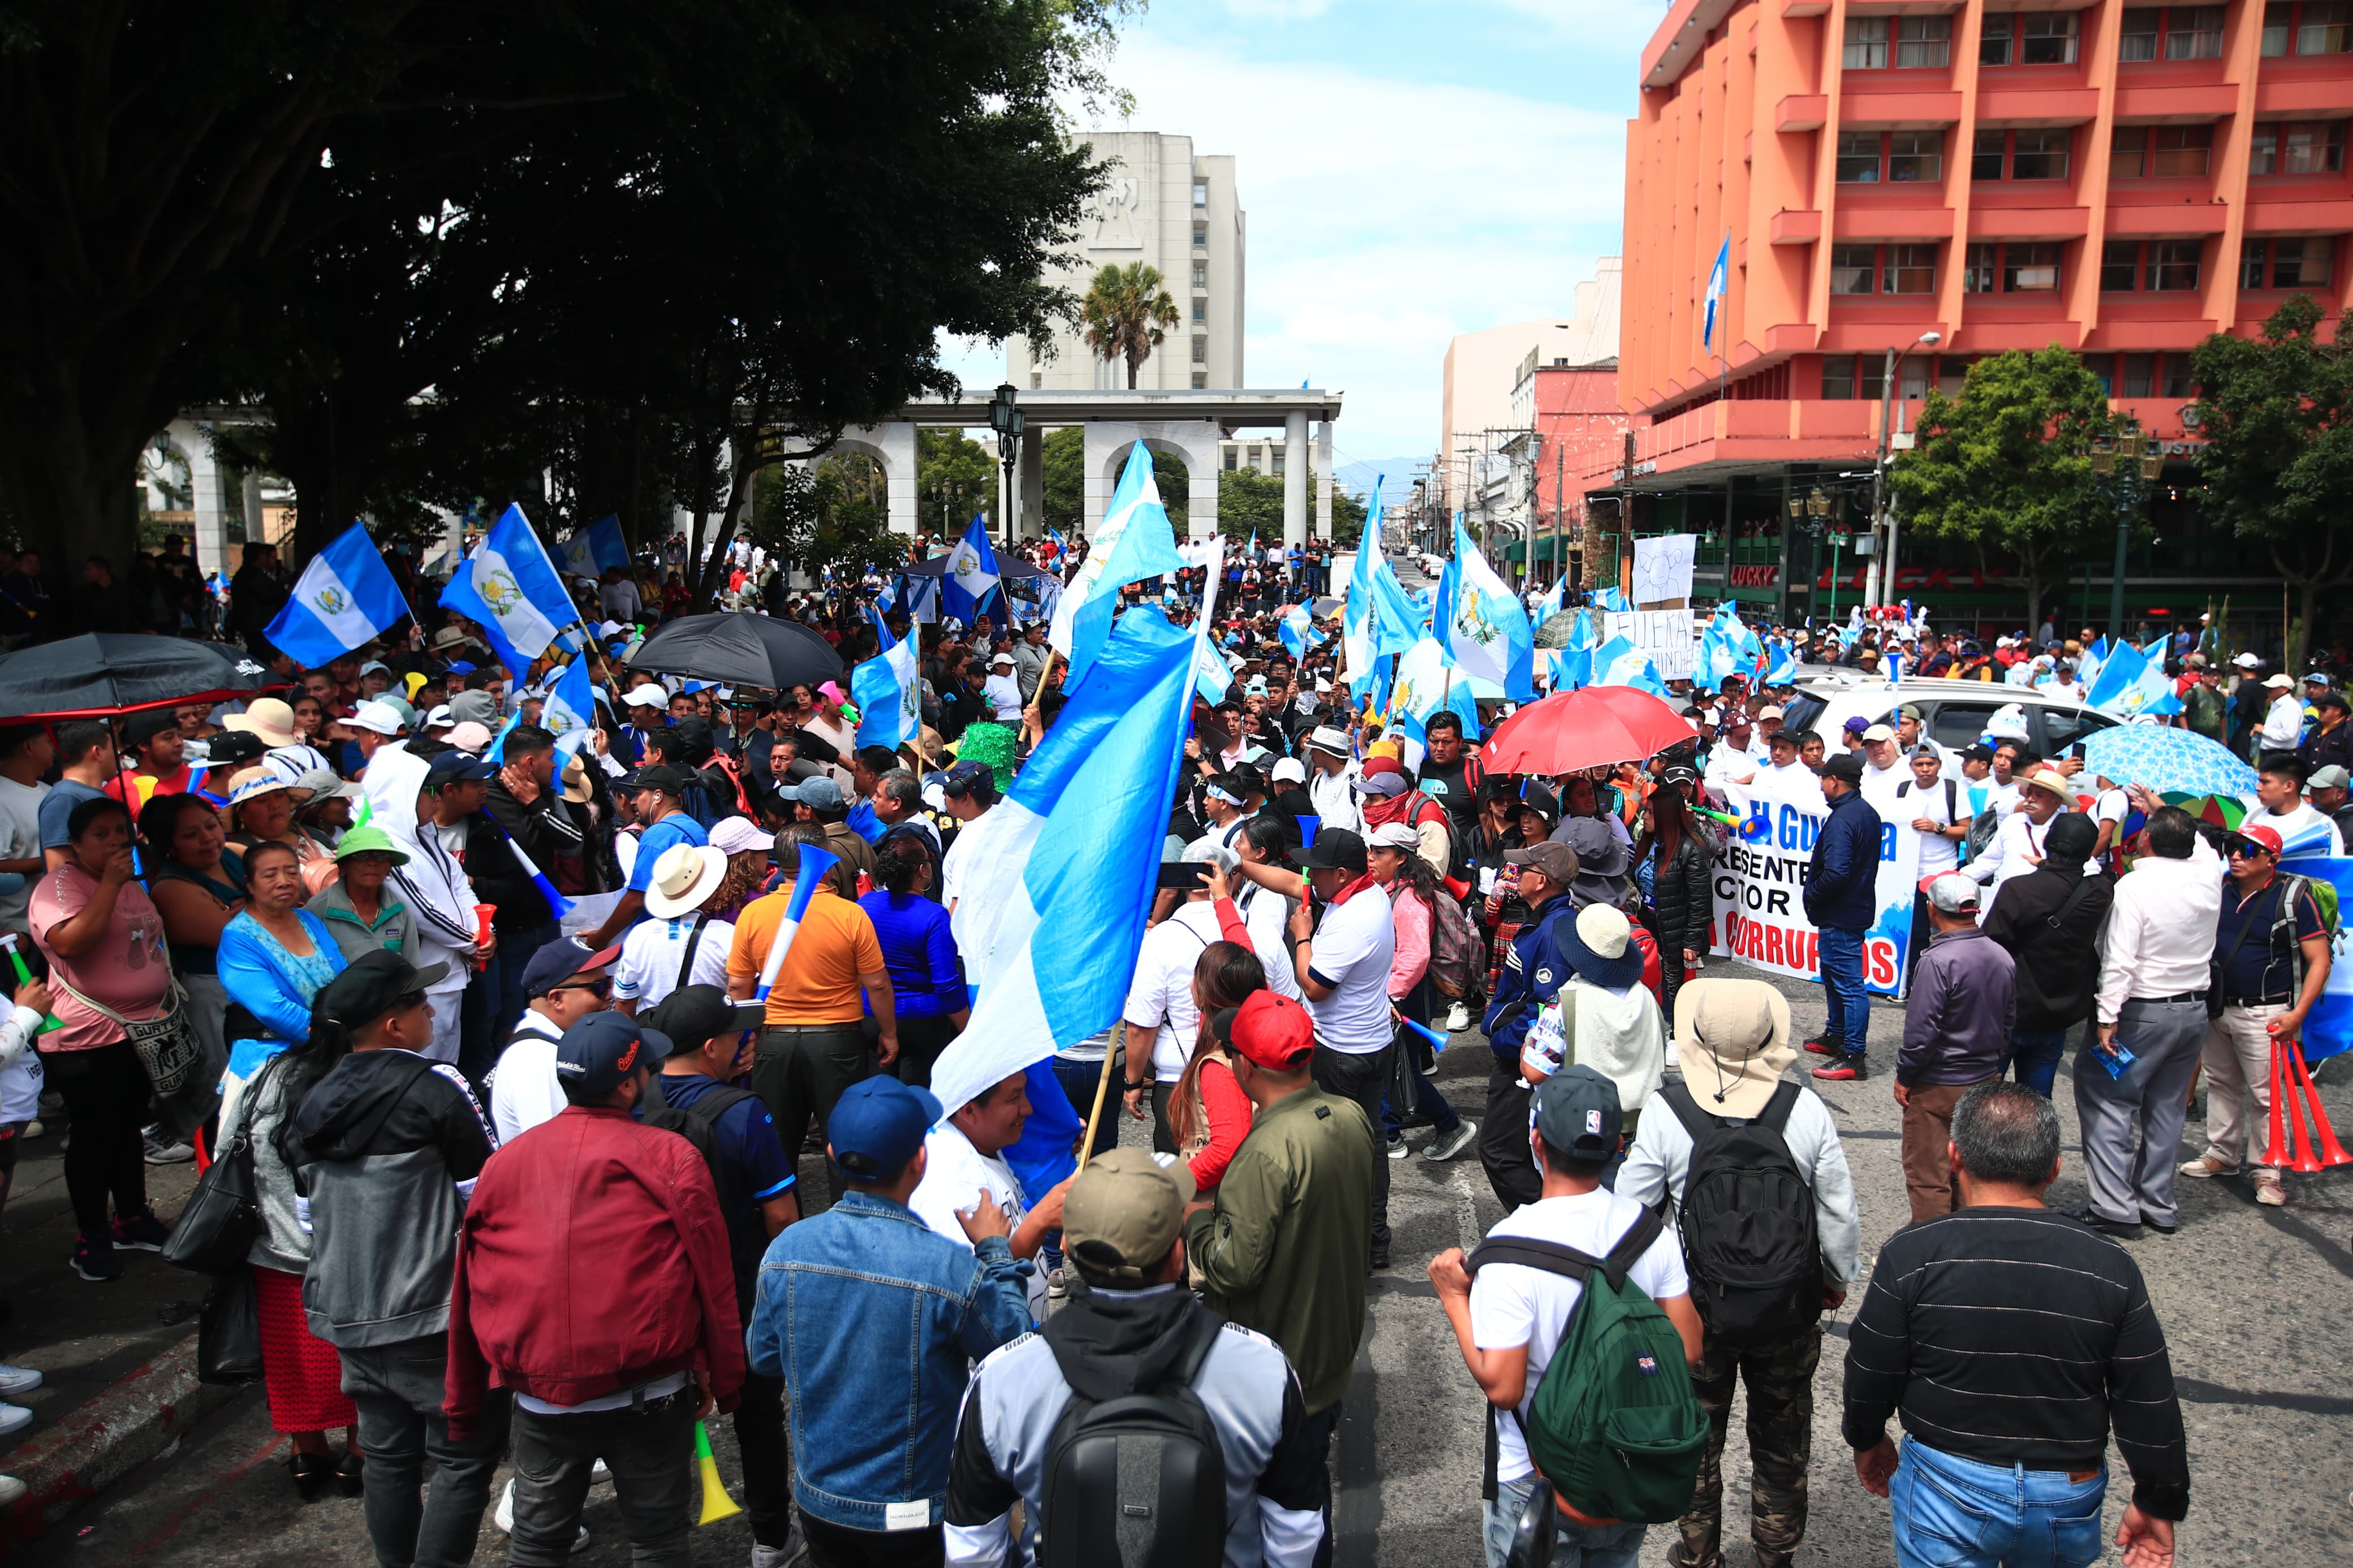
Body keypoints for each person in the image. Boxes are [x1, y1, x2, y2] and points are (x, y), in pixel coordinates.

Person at [1843, 1082, 2187, 1568]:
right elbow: (2147, 1396)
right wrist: (2159, 1496)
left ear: (1954, 1156)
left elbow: (1871, 1361)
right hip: (2067, 1487)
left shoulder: (1913, 1253)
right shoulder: (2109, 1264)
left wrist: (1866, 1434)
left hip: (1948, 1479)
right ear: (2054, 1169)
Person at [443, 1011, 744, 1568]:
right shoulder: (670, 1155)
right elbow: (712, 1276)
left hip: (541, 1396)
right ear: (629, 1083)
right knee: (657, 1542)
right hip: (650, 1390)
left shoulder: (505, 1163)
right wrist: (720, 1372)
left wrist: (464, 1399)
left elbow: (469, 1282)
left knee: (537, 1544)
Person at [942, 1147, 1328, 1568]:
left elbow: (972, 1549)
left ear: (1068, 1247)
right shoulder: (1264, 1369)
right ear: (1179, 1254)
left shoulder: (1003, 1379)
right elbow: (1297, 1532)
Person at [1619, 979, 1860, 1568]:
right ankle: (1774, 1553)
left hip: (1696, 1308)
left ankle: (1697, 1551)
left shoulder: (1667, 1110)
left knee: (1697, 1437)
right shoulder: (1801, 1108)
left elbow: (1631, 1213)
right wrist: (1834, 1277)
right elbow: (1836, 1211)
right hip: (1785, 1306)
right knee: (1782, 1439)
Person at [1428, 1065, 1704, 1568]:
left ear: (1536, 1139)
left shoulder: (1508, 1249)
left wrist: (1452, 1297)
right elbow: (1688, 1349)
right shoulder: (1650, 1234)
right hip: (1624, 1463)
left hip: (1534, 1477)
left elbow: (1504, 1387)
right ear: (1617, 1145)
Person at [749, 1075, 1031, 1561]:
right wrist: (995, 1250)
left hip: (820, 1505)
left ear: (833, 1155)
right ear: (919, 1161)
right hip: (915, 1513)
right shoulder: (950, 1268)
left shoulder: (784, 1252)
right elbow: (1015, 1346)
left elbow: (764, 1356)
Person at [294, 949, 507, 1568]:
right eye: (419, 1001)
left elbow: (309, 1218)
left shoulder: (313, 1097)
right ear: (393, 1024)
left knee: (387, 1457)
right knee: (462, 1457)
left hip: (347, 1310)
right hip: (433, 1314)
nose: (431, 1010)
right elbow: (483, 1199)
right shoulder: (437, 1086)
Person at [1183, 991, 1375, 1561]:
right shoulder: (1350, 1116)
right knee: (1307, 1499)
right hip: (1329, 1349)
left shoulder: (1265, 1150)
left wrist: (1195, 1222)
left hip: (1275, 1367)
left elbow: (1232, 1268)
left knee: (1272, 1512)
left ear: (1244, 1065)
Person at [213, 865, 362, 1500]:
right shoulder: (238, 940)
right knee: (307, 1332)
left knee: (309, 1330)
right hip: (299, 1230)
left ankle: (347, 1447)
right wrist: (330, 1034)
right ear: (248, 884)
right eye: (267, 873)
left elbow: (337, 978)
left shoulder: (310, 922)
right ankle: (318, 1448)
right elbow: (275, 1005)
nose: (282, 881)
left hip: (299, 1231)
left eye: (286, 871)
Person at [29, 796, 175, 1280]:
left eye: (121, 830)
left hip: (142, 1030)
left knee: (128, 1127)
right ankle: (90, 1235)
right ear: (74, 843)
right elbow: (70, 942)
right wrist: (110, 885)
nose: (115, 840)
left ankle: (131, 1216)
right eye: (100, 834)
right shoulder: (60, 887)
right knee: (94, 1136)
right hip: (88, 1038)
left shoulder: (131, 881)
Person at [728, 824, 897, 1203]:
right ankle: (847, 1224)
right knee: (844, 1141)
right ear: (826, 862)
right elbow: (879, 984)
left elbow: (738, 987)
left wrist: (743, 1037)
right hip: (838, 1041)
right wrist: (889, 1032)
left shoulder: (753, 915)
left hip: (773, 1040)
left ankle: (780, 1231)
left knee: (778, 1146)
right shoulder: (850, 915)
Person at [2080, 805, 2222, 1236]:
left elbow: (2120, 959)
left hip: (2142, 1011)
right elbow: (2200, 843)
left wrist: (2107, 1017)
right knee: (2167, 1107)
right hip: (2193, 1010)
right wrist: (2161, 808)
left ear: (2147, 841)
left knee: (2108, 1098)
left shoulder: (2135, 885)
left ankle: (2114, 1204)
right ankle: (2156, 1202)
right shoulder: (2209, 875)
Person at [2183, 823, 2332, 1210]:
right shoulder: (2220, 888)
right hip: (2219, 1006)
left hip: (2267, 1011)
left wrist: (2298, 1013)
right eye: (2232, 847)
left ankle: (2268, 1168)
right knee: (2221, 1083)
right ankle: (2223, 1153)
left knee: (2267, 1095)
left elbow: (2320, 960)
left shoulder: (2294, 897)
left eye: (2248, 850)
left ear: (2272, 859)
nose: (2235, 855)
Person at [1285, 827, 1397, 1266]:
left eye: (1320, 869)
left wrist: (1302, 934)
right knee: (1371, 1144)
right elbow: (1294, 881)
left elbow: (1314, 987)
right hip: (1371, 1042)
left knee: (1334, 1150)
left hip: (1341, 1052)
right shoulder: (1370, 895)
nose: (1311, 876)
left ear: (1344, 873)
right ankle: (1374, 1240)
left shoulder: (1351, 920)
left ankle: (1346, 1247)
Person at [908, 1069, 1074, 1323]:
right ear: (970, 1110)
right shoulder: (954, 1188)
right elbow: (978, 1298)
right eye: (1014, 1098)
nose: (1027, 1108)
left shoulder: (982, 1144)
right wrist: (1040, 1221)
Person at [1897, 875, 2015, 1224]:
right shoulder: (2001, 956)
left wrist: (1905, 1076)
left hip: (1937, 1084)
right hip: (1984, 1079)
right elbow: (2008, 1022)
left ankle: (1933, 1254)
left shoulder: (1937, 961)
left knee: (1929, 1178)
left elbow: (1921, 1034)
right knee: (1970, 1173)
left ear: (1933, 910)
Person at [138, 789, 248, 1153]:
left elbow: (288, 889)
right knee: (216, 1075)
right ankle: (181, 1135)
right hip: (210, 991)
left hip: (252, 983)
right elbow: (238, 938)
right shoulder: (171, 888)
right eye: (190, 834)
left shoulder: (232, 855)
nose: (207, 838)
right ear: (170, 846)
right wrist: (263, 907)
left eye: (211, 826)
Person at [1478, 841, 1580, 1211]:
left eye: (1525, 868)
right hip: (1520, 1059)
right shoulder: (1545, 922)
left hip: (1522, 1063)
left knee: (1500, 1152)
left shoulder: (1554, 932)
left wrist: (1503, 1039)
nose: (1516, 873)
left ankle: (1548, 1230)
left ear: (1543, 880)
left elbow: (1545, 1009)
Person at [1366, 823, 1475, 1162]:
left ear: (1401, 858)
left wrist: (1392, 996)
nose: (1371, 859)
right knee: (1393, 1065)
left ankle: (1445, 1125)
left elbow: (1415, 956)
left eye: (1379, 853)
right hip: (1402, 992)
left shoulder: (1410, 899)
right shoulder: (1395, 889)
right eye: (1370, 851)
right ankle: (1394, 1131)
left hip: (1405, 995)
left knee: (1399, 1067)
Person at [1980, 814, 2110, 1096]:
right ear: (2089, 853)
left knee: (1982, 1099)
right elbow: (2082, 879)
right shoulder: (2100, 891)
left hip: (2009, 1010)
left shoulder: (2019, 889)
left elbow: (1990, 949)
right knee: (2037, 1102)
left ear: (2046, 842)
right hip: (2057, 1013)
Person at [483, 939, 620, 1144]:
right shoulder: (538, 1062)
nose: (611, 995)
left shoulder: (552, 1045)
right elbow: (557, 1153)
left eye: (609, 982)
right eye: (599, 988)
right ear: (556, 999)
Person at [858, 832, 965, 1088]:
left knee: (878, 1097)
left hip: (871, 1017)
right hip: (923, 1024)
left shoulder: (865, 904)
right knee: (916, 1103)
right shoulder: (934, 916)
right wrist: (968, 1028)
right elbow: (946, 984)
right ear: (922, 871)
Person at [1803, 754, 1882, 1081]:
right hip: (1851, 909)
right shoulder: (1866, 812)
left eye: (1823, 778)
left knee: (1849, 984)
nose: (1821, 784)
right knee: (1835, 978)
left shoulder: (1843, 819)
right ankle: (1836, 1034)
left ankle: (1853, 1054)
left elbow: (1836, 872)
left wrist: (1812, 893)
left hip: (1841, 914)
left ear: (1835, 780)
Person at [582, 763, 710, 948]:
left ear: (658, 796)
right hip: (692, 934)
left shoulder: (657, 835)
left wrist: (602, 938)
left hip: (661, 939)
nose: (633, 801)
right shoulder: (696, 828)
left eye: (640, 793)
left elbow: (636, 899)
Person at [612, 841, 735, 1014]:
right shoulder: (726, 934)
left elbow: (625, 1002)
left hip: (654, 1034)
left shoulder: (639, 936)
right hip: (711, 1035)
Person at [1630, 781, 1712, 1025]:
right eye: (1646, 810)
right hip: (1648, 927)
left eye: (1652, 813)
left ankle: (1680, 1034)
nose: (1645, 817)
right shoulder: (1647, 844)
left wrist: (1692, 941)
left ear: (1667, 816)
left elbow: (1701, 901)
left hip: (1677, 932)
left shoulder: (1692, 849)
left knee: (1678, 991)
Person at [2244, 750, 2343, 856]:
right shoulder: (2253, 816)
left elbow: (2333, 866)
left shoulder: (2319, 824)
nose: (2258, 788)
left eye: (2265, 782)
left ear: (2289, 787)